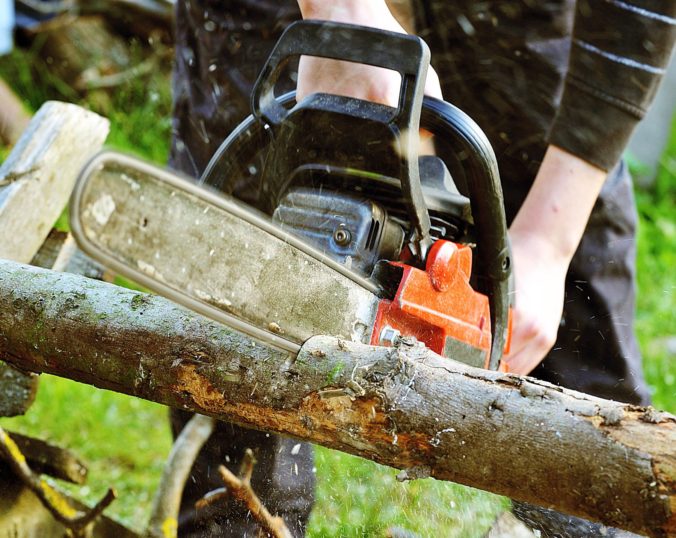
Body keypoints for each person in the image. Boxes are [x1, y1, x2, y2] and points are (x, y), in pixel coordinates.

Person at [168, 1, 676, 536]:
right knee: (237, 291)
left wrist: (549, 241)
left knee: (580, 330)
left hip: (510, 21)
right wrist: (340, 11)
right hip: (281, 13)